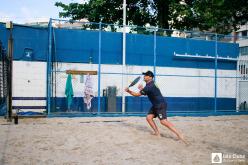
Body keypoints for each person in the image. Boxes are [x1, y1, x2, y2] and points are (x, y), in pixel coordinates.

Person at [125, 71, 188, 144]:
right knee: (149, 118)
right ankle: (157, 133)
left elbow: (136, 95)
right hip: (156, 104)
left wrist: (128, 91)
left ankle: (180, 134)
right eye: (144, 75)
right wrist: (142, 89)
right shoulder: (151, 84)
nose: (144, 76)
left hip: (160, 105)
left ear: (150, 77)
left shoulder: (149, 86)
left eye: (146, 75)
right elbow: (148, 92)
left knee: (163, 121)